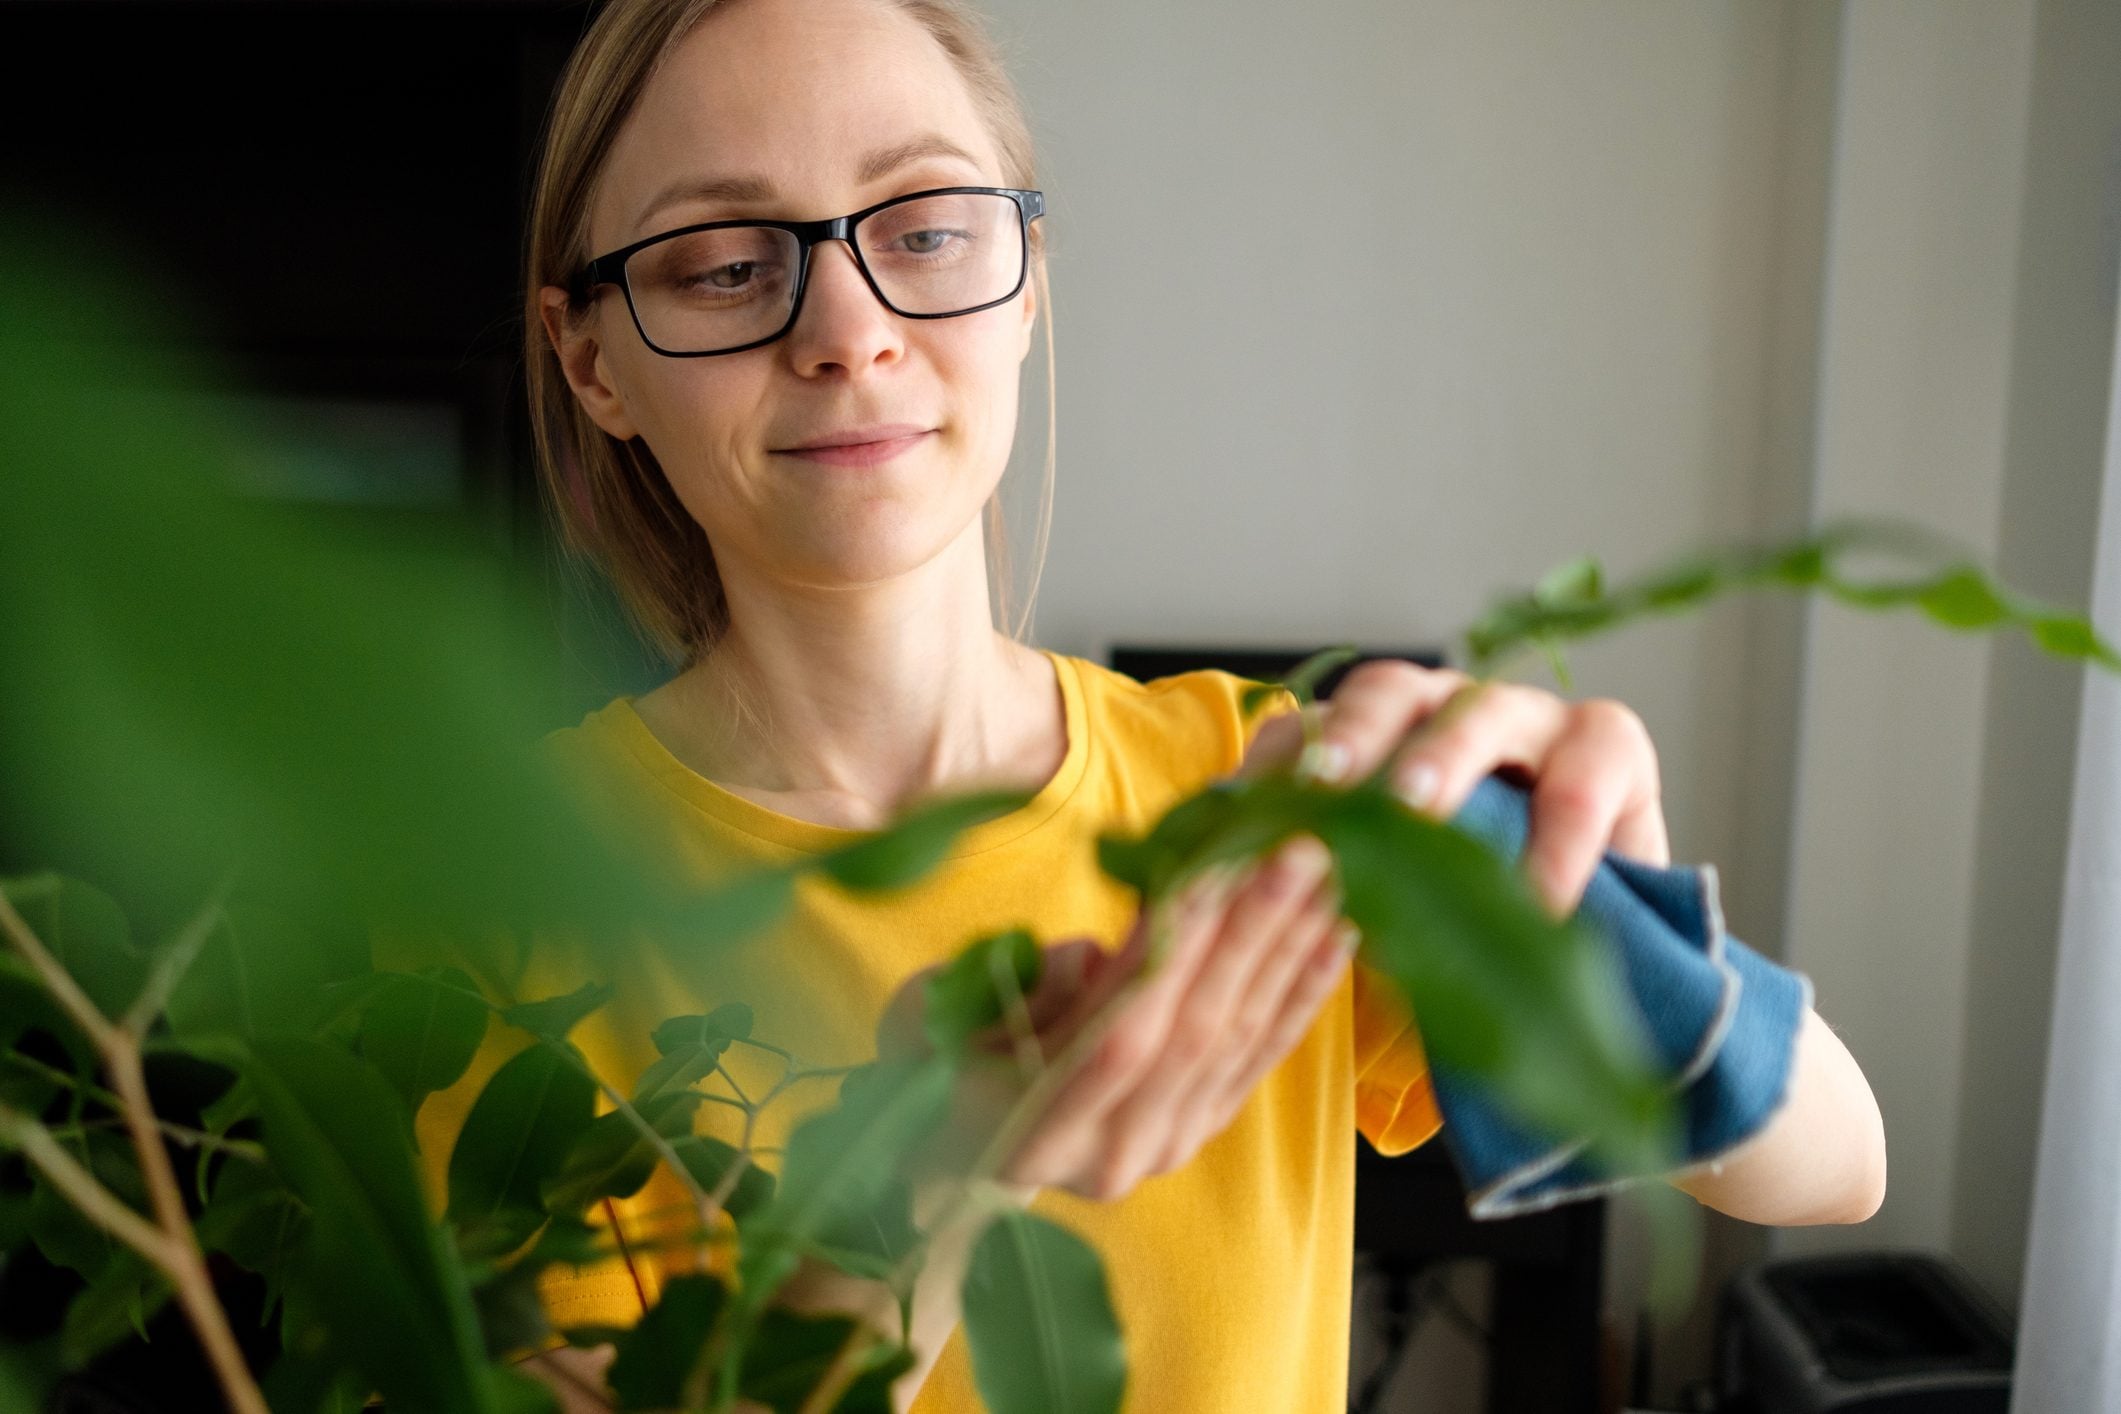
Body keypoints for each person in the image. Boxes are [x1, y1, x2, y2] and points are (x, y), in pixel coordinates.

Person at [436, 0, 1889, 1407]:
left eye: (926, 230)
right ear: (590, 359)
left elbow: (1833, 1162)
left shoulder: (1261, 795)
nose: (847, 327)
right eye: (719, 263)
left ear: (1025, 279)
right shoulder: (481, 895)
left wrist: (1567, 885)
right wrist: (932, 1174)